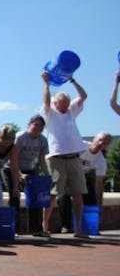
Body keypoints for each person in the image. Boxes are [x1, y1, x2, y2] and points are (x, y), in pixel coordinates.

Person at [40, 72, 89, 238]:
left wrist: (72, 80)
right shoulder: (50, 113)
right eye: (62, 103)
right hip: (56, 158)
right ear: (56, 103)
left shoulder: (71, 111)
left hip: (74, 157)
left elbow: (83, 96)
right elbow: (46, 101)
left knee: (78, 194)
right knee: (53, 194)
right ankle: (44, 227)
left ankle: (79, 229)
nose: (66, 106)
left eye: (67, 103)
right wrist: (46, 83)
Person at [4, 115, 49, 236]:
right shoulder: (21, 137)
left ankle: (36, 229)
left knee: (35, 199)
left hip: (30, 169)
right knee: (15, 197)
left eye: (41, 126)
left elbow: (42, 160)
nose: (38, 128)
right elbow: (13, 158)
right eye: (35, 125)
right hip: (12, 168)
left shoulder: (43, 140)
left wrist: (47, 175)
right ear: (29, 125)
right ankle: (14, 229)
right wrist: (19, 174)